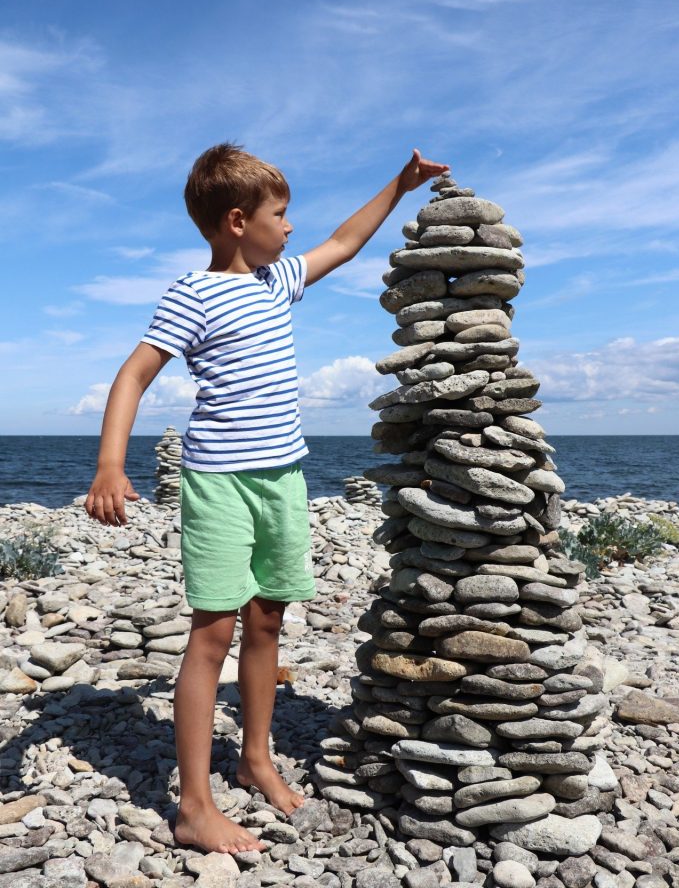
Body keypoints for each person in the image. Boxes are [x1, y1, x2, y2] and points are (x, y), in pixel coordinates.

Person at [84, 141, 449, 855]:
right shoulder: (191, 293)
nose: (290, 228)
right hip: (219, 483)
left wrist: (398, 186)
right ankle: (194, 805)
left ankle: (255, 758)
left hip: (282, 478)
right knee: (212, 630)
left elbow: (344, 243)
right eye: (280, 215)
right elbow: (132, 375)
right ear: (235, 220)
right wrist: (108, 464)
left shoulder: (277, 281)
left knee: (267, 620)